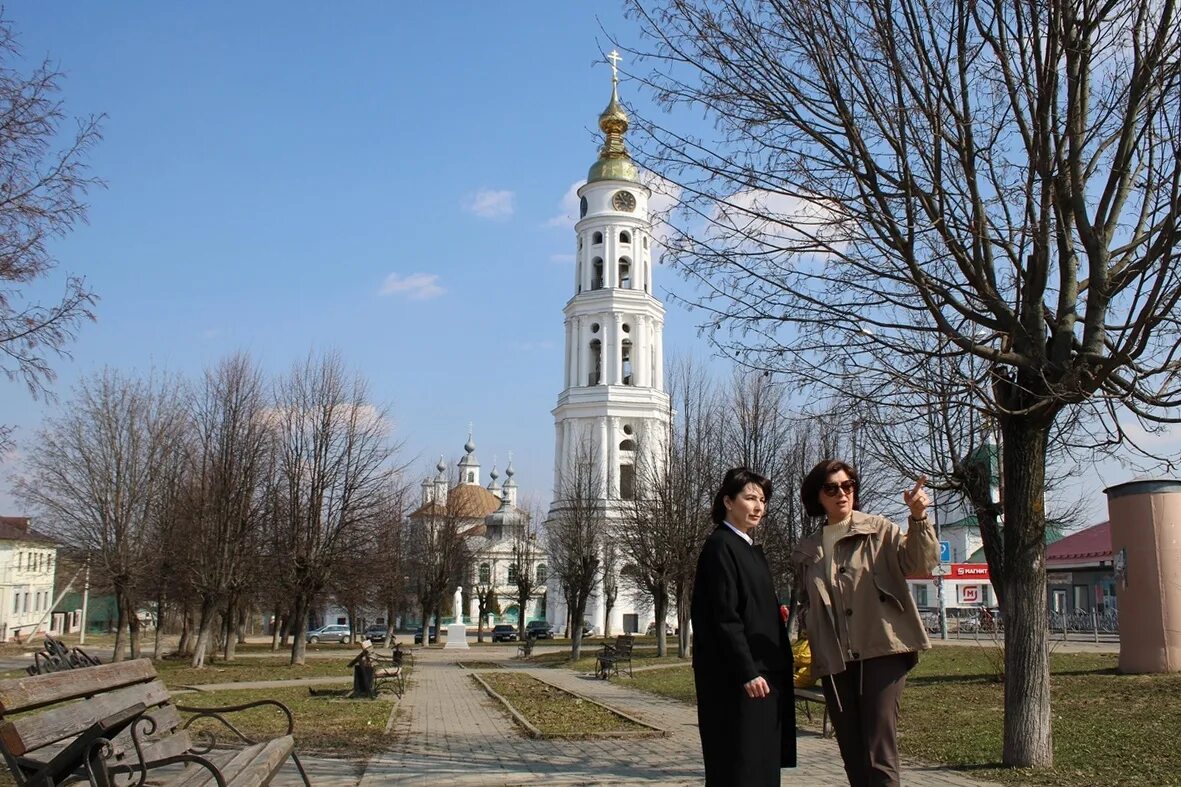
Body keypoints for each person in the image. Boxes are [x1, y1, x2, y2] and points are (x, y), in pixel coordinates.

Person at [792, 459, 938, 787]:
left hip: (882, 649)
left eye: (848, 486)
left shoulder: (880, 530)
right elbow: (808, 603)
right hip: (833, 657)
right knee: (852, 751)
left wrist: (918, 517)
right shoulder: (807, 550)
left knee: (878, 749)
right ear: (818, 496)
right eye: (832, 488)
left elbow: (920, 564)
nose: (842, 494)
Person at [691, 467, 796, 785]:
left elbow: (751, 608)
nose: (758, 506)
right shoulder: (721, 547)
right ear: (727, 501)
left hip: (763, 677)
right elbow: (724, 617)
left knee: (760, 766)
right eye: (750, 498)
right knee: (739, 768)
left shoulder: (747, 547)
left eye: (762, 500)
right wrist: (747, 671)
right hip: (740, 681)